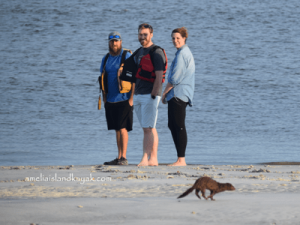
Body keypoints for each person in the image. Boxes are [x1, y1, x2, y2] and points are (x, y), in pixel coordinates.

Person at [132, 23, 168, 166]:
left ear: (151, 34)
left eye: (145, 34)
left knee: (148, 128)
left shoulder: (156, 52)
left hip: (150, 95)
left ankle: (145, 159)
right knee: (149, 127)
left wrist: (154, 94)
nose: (142, 37)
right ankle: (153, 158)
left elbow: (159, 76)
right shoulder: (139, 52)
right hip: (138, 94)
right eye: (140, 34)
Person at [162, 27, 195, 166]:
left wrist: (164, 93)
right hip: (179, 94)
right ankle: (180, 158)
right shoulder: (183, 52)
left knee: (179, 125)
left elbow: (175, 78)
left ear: (184, 38)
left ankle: (181, 159)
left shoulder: (182, 54)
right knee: (172, 124)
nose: (175, 41)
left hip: (178, 94)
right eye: (173, 38)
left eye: (178, 38)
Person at [99, 31, 134, 165]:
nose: (114, 43)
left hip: (124, 98)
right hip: (110, 99)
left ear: (121, 42)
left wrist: (131, 98)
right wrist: (105, 98)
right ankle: (119, 156)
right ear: (109, 42)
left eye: (117, 41)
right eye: (112, 41)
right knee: (116, 128)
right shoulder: (106, 58)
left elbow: (134, 78)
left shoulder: (127, 56)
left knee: (123, 127)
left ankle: (124, 157)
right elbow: (102, 79)